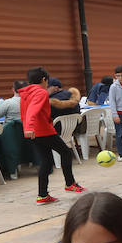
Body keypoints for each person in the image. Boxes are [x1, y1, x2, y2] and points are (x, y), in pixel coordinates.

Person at [21, 66, 84, 205]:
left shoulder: (26, 93)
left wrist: (28, 127)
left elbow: (26, 112)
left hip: (33, 133)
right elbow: (32, 110)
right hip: (42, 130)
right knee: (66, 153)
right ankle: (70, 184)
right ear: (44, 79)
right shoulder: (41, 92)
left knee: (46, 161)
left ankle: (43, 195)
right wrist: (31, 126)